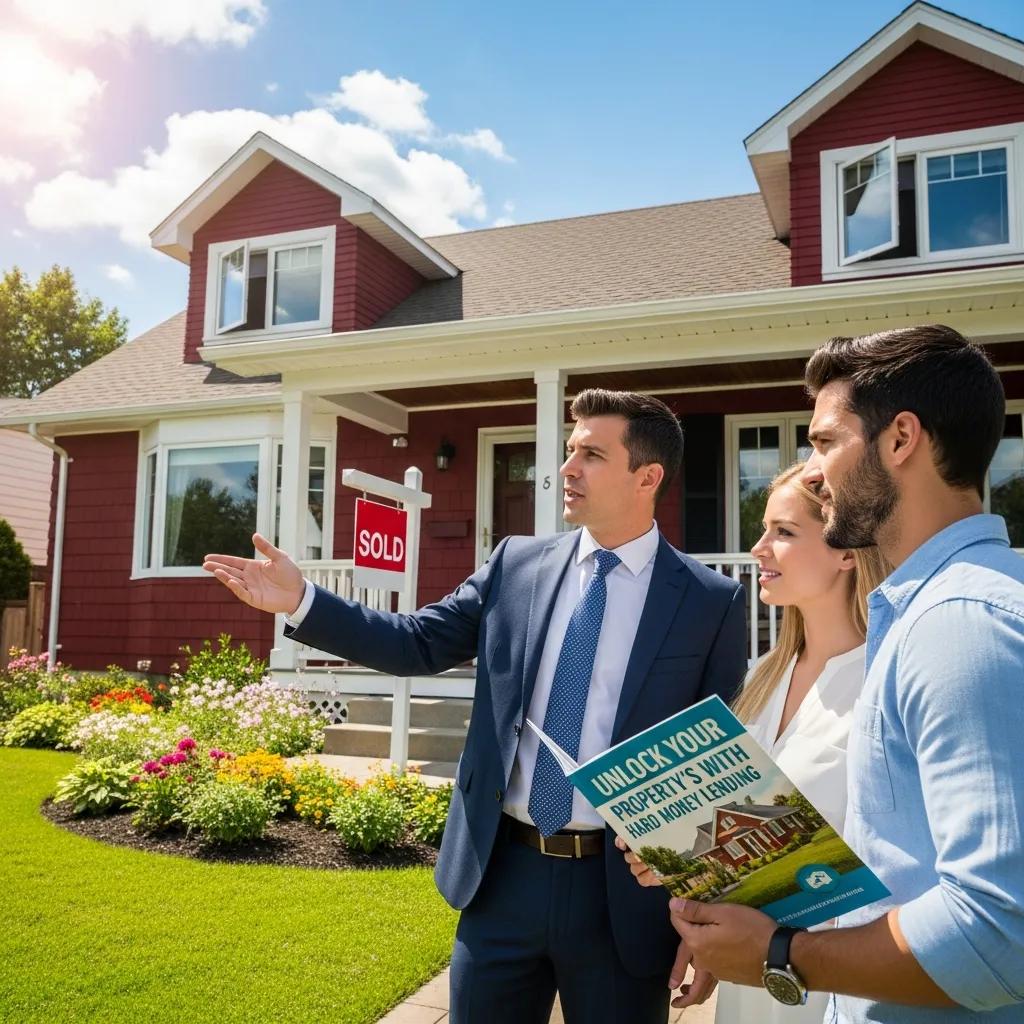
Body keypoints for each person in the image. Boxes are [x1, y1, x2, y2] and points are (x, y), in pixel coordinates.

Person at [203, 388, 748, 1024]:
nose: (567, 468)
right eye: (570, 450)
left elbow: (718, 764)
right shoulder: (517, 564)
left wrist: (708, 913)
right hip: (501, 878)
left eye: (592, 455)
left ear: (647, 477)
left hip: (624, 899)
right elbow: (416, 641)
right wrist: (303, 601)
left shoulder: (709, 602)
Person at [655, 325, 1024, 1024]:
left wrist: (781, 954)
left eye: (825, 441)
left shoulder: (960, 623)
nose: (814, 472)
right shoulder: (927, 615)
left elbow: (999, 935)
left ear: (901, 438)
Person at [620, 461, 889, 1020]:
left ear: (846, 550)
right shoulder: (763, 675)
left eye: (783, 532)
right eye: (764, 529)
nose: (758, 549)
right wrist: (681, 864)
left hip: (838, 987)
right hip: (752, 985)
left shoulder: (885, 684)